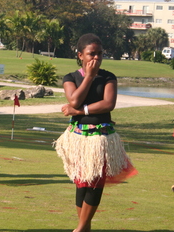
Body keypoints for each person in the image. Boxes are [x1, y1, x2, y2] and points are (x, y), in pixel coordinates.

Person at [54, 33, 137, 232]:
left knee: (95, 181)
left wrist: (81, 111)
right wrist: (89, 77)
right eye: (92, 54)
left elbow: (108, 104)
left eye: (100, 54)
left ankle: (81, 228)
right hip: (78, 138)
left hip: (100, 138)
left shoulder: (108, 77)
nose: (97, 58)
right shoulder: (71, 77)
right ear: (80, 55)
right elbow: (73, 99)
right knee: (82, 182)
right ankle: (84, 227)